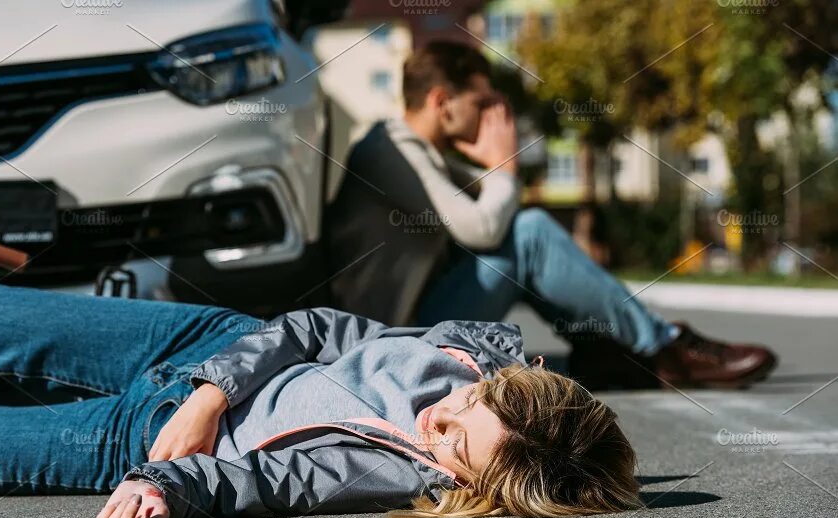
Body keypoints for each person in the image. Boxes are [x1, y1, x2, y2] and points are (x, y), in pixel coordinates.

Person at [0, 283, 640, 518]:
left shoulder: (397, 473)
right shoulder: (463, 350)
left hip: (150, 435)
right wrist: (213, 391)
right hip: (213, 344)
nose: (439, 421)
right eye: (467, 404)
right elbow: (316, 327)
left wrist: (162, 486)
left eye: (457, 448)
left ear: (474, 487)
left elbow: (261, 481)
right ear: (499, 382)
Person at [325, 41, 776, 390]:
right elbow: (482, 228)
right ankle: (662, 346)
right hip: (389, 343)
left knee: (526, 232)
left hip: (413, 324)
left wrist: (499, 170)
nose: (493, 115)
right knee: (529, 234)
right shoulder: (389, 149)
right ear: (443, 101)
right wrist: (502, 167)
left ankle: (604, 348)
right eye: (482, 104)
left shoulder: (421, 151)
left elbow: (498, 204)